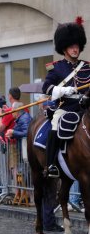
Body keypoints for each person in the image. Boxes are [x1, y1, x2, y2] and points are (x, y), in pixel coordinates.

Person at [42, 17, 89, 178]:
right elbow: (46, 87)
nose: (75, 49)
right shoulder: (56, 68)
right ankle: (50, 165)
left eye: (77, 46)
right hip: (67, 107)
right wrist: (63, 90)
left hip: (86, 106)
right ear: (64, 48)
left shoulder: (88, 66)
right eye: (71, 46)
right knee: (55, 124)